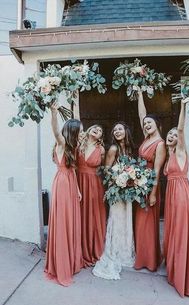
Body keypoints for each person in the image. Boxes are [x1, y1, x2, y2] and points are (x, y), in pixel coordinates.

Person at [45, 102, 83, 286]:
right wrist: (53, 112)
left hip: (70, 183)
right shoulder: (61, 142)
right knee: (63, 221)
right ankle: (61, 264)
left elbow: (73, 169)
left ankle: (71, 259)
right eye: (80, 131)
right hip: (61, 183)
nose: (82, 134)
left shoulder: (72, 147)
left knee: (70, 221)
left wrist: (77, 189)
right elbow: (55, 131)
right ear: (73, 132)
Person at [92, 122, 135, 280]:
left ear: (126, 131)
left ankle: (125, 250)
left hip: (127, 190)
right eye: (115, 129)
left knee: (126, 220)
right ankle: (115, 251)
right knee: (116, 220)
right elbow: (106, 170)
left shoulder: (128, 149)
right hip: (116, 191)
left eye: (120, 129)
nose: (117, 131)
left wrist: (131, 179)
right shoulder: (113, 149)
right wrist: (119, 181)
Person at [163, 97, 189, 297]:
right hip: (171, 196)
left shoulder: (181, 151)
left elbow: (182, 129)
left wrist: (183, 105)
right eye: (170, 133)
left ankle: (183, 279)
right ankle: (174, 271)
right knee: (174, 232)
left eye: (174, 135)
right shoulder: (170, 154)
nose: (172, 135)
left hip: (182, 195)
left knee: (181, 233)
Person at [134, 89, 166, 271]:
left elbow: (157, 170)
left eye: (149, 123)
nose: (146, 125)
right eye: (145, 123)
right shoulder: (146, 138)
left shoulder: (160, 144)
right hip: (139, 184)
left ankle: (150, 261)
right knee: (140, 222)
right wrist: (139, 93)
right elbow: (141, 114)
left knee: (148, 223)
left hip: (150, 186)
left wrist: (153, 193)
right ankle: (142, 257)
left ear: (157, 124)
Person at [73, 96, 106, 267]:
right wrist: (77, 97)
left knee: (93, 215)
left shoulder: (101, 149)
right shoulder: (80, 142)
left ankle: (94, 248)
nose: (97, 130)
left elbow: (105, 168)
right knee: (79, 213)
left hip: (94, 184)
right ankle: (79, 248)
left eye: (100, 131)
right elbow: (77, 120)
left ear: (100, 137)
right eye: (95, 128)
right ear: (88, 130)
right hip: (79, 182)